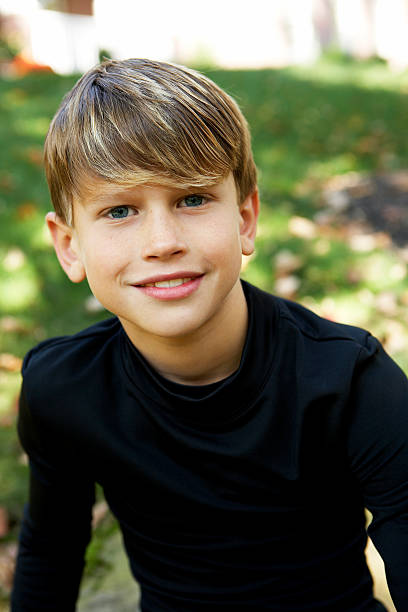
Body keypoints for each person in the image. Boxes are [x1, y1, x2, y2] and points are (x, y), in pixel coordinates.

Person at [11, 58, 408, 612]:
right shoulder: (64, 389)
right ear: (69, 245)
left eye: (192, 199)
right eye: (120, 210)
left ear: (245, 219)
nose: (162, 241)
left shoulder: (348, 380)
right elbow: (50, 553)